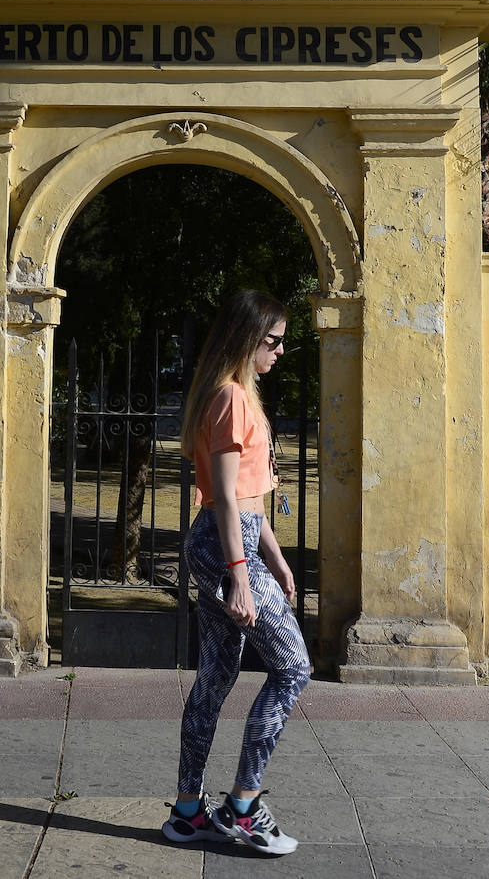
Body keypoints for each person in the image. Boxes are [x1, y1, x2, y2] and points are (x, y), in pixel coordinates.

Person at [162, 289, 311, 856]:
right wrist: (242, 576)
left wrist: (273, 555)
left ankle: (187, 813)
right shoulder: (230, 399)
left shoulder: (237, 395)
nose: (278, 350)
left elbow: (246, 499)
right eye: (271, 340)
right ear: (247, 338)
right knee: (293, 668)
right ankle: (243, 808)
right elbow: (222, 497)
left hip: (233, 544)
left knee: (216, 678)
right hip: (223, 547)